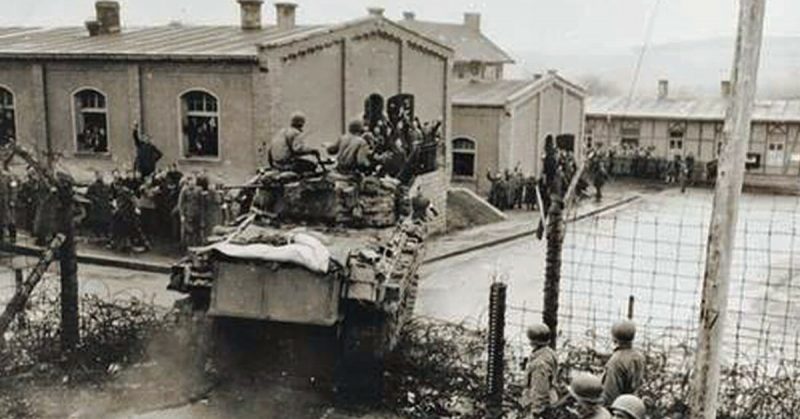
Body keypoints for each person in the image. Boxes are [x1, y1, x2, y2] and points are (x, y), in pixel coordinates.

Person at [602, 320, 646, 405]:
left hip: (619, 406)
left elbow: (610, 391)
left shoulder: (615, 361)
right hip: (634, 404)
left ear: (614, 339)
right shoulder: (639, 356)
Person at [521, 323, 558, 418]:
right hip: (547, 404)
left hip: (539, 408)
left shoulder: (540, 363)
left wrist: (536, 412)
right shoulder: (549, 353)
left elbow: (540, 389)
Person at [86, 170, 113, 240]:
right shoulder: (93, 186)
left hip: (105, 205)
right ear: (96, 176)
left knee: (106, 220)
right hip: (97, 206)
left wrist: (109, 199)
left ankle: (105, 233)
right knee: (97, 221)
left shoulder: (106, 186)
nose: (100, 176)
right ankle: (97, 234)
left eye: (101, 175)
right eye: (99, 175)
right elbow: (88, 195)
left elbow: (110, 194)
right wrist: (95, 199)